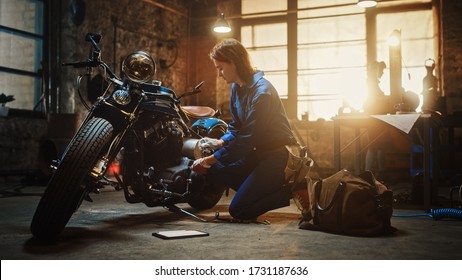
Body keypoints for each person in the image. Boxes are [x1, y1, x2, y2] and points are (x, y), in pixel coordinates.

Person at [192, 38, 308, 220]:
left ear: (234, 62)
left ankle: (288, 191)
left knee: (239, 210)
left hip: (275, 156)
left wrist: (209, 159)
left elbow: (246, 140)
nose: (219, 74)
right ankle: (257, 189)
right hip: (254, 154)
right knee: (213, 169)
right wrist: (221, 141)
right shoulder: (237, 89)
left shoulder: (262, 93)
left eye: (221, 68)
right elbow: (236, 127)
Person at [363, 61, 389, 180]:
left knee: (380, 145)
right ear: (376, 70)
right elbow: (374, 100)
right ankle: (367, 174)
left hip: (377, 117)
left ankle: (381, 172)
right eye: (381, 71)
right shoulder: (371, 82)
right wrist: (382, 98)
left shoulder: (374, 83)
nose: (383, 73)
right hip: (373, 118)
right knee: (373, 146)